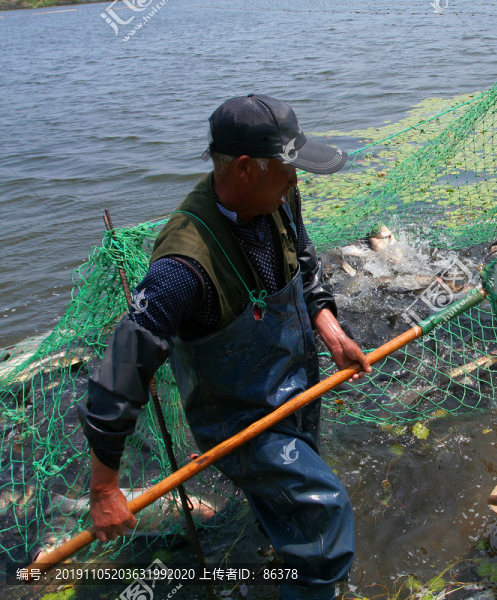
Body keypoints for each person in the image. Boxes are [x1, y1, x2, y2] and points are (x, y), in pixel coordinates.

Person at [78, 94, 371, 600]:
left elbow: (303, 260)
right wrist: (105, 489)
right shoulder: (182, 267)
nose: (296, 183)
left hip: (296, 376)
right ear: (243, 169)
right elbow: (122, 368)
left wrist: (329, 328)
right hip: (239, 415)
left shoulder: (278, 198)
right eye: (288, 171)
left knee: (291, 499)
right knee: (324, 509)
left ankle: (285, 554)